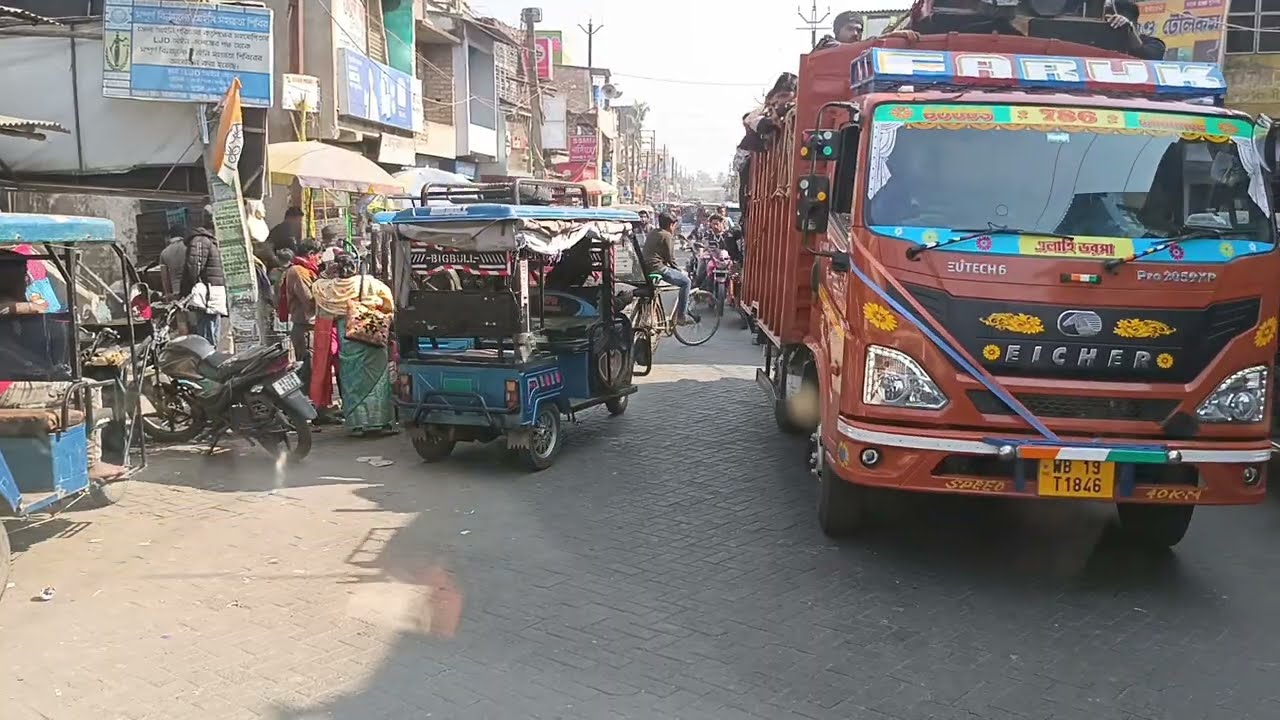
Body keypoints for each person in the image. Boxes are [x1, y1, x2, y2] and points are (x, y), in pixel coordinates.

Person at [312, 252, 396, 435]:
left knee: (351, 381)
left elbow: (316, 286)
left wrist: (327, 273)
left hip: (347, 338)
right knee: (377, 380)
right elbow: (389, 302)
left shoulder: (327, 288)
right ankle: (379, 422)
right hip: (371, 336)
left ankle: (357, 424)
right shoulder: (369, 283)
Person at [641, 212, 693, 325]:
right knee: (686, 282)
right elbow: (671, 258)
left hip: (645, 267)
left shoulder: (653, 232)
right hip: (657, 267)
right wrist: (680, 271)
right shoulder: (666, 235)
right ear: (671, 225)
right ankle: (681, 316)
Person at [179, 226, 227, 346]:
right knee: (212, 326)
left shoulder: (199, 241)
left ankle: (207, 357)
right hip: (214, 290)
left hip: (207, 293)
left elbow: (195, 266)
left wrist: (190, 288)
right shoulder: (211, 242)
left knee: (206, 331)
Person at [280, 242, 321, 363]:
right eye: (318, 257)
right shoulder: (299, 271)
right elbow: (309, 300)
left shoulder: (305, 270)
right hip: (306, 327)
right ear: (311, 254)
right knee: (308, 368)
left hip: (308, 326)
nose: (319, 261)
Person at [159, 233, 187, 298]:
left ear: (169, 237)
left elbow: (164, 277)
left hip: (176, 291)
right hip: (191, 290)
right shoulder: (189, 248)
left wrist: (167, 294)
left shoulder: (164, 252)